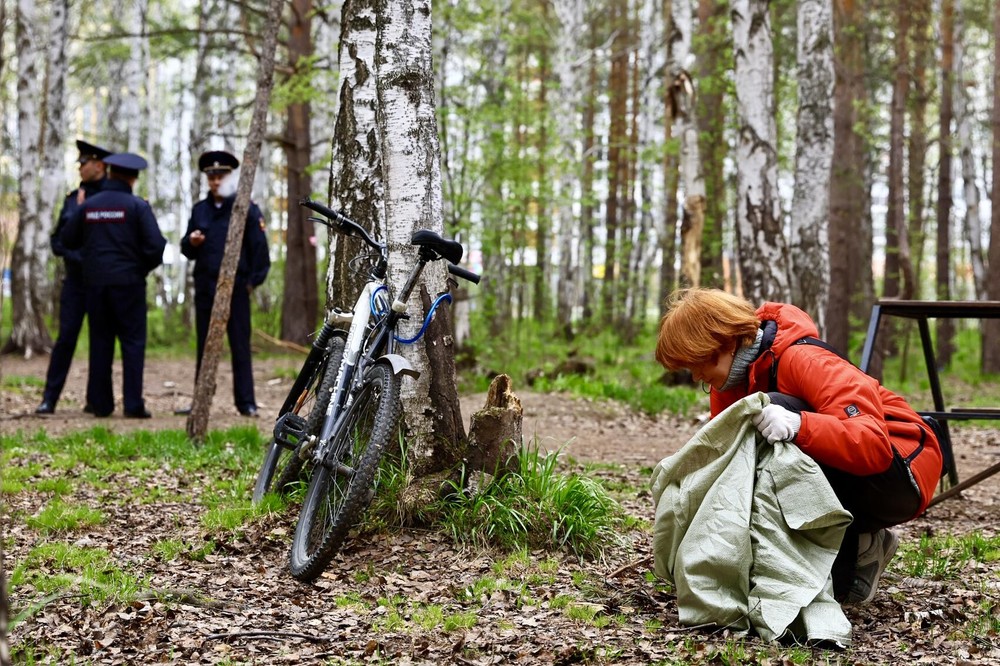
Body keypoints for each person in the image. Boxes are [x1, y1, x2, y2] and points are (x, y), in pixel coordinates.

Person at [655, 288, 943, 605]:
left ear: (724, 341)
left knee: (774, 408)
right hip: (852, 470)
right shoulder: (727, 387)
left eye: (697, 363)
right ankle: (861, 547)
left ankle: (847, 561)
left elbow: (874, 446)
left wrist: (799, 425)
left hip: (900, 472)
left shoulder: (804, 358)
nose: (696, 375)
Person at [60, 152, 167, 418]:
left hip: (95, 286)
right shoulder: (137, 207)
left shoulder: (88, 206)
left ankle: (101, 405)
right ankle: (133, 405)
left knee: (100, 342)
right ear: (133, 178)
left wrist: (92, 264)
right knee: (132, 343)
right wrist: (138, 269)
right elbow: (156, 246)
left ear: (109, 173)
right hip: (129, 284)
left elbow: (66, 239)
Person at [179, 150, 270, 417]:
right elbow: (186, 248)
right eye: (211, 177)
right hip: (206, 288)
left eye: (221, 176)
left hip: (237, 289)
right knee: (205, 347)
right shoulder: (200, 210)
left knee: (240, 346)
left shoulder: (246, 209)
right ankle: (200, 402)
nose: (216, 181)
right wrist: (191, 242)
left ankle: (246, 403)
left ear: (231, 178)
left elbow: (260, 252)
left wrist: (251, 284)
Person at [36, 140, 112, 415]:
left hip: (103, 284)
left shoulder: (111, 198)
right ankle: (49, 398)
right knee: (65, 338)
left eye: (84, 163)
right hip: (76, 282)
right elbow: (58, 242)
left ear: (99, 165)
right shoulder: (73, 198)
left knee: (100, 341)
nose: (80, 167)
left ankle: (96, 400)